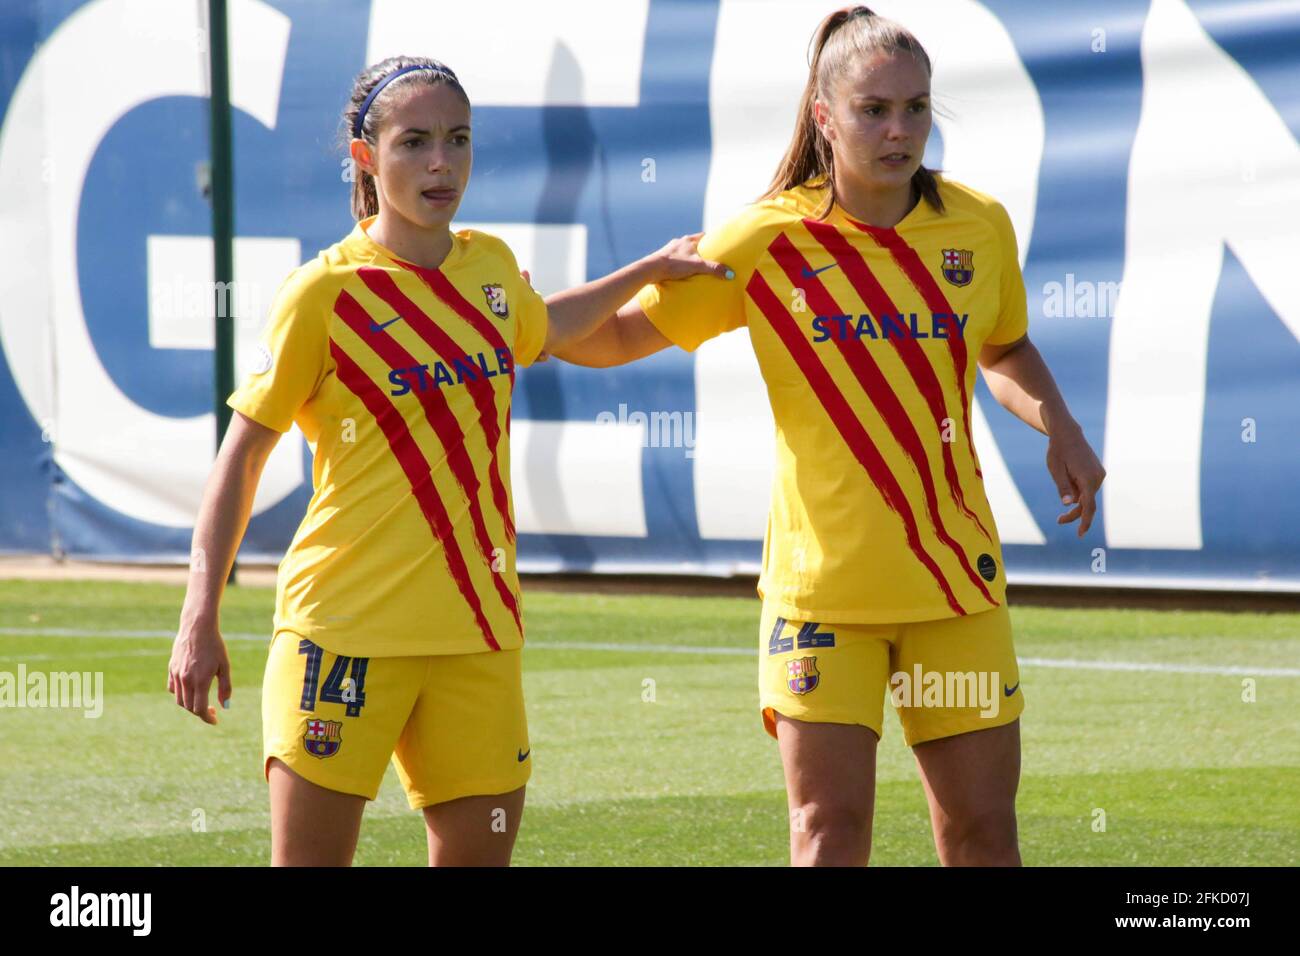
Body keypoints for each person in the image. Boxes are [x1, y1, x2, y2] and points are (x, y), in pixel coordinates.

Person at [550, 7, 1106, 866]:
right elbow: (617, 338)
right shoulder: (766, 237)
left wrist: (1057, 422)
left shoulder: (977, 224)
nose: (900, 130)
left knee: (982, 832)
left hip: (952, 589)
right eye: (874, 110)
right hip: (822, 603)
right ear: (822, 116)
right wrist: (521, 316)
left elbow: (1002, 346)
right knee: (827, 834)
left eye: (916, 109)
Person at [166, 55, 725, 866]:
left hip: (478, 633)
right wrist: (198, 614)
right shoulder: (322, 295)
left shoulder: (490, 268)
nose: (441, 163)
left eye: (458, 140)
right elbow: (242, 457)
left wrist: (645, 271)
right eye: (415, 142)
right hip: (342, 634)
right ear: (367, 158)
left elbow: (549, 327)